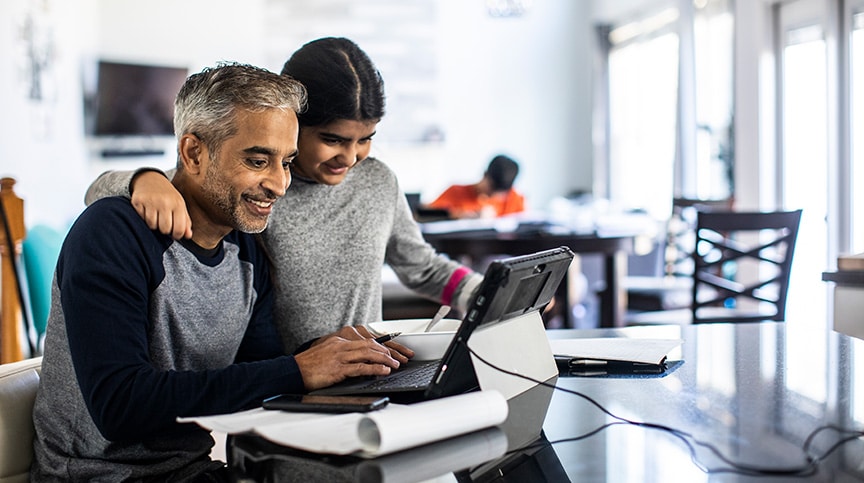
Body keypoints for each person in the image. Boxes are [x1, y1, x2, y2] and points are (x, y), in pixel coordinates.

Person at [32, 63, 407, 482]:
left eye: (286, 162)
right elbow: (120, 406)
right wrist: (299, 368)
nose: (280, 184)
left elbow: (259, 375)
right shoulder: (113, 234)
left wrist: (335, 357)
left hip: (193, 472)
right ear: (194, 153)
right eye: (257, 160)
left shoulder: (246, 251)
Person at [85, 37, 483, 353]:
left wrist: (483, 296)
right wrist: (143, 178)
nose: (350, 156)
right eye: (333, 140)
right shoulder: (253, 187)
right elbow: (105, 191)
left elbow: (422, 268)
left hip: (366, 368)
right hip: (280, 377)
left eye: (366, 139)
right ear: (292, 126)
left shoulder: (378, 181)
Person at [427, 154, 526, 219]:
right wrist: (459, 215)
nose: (492, 196)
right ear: (484, 175)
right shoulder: (456, 192)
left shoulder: (514, 199)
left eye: (499, 194)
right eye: (491, 189)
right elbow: (422, 214)